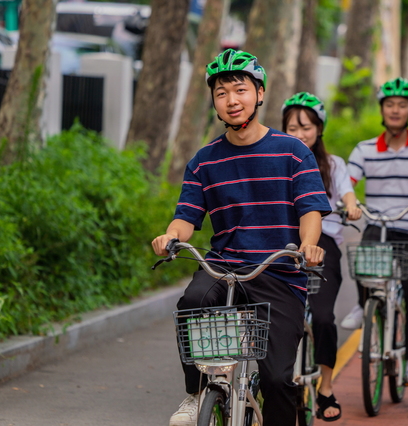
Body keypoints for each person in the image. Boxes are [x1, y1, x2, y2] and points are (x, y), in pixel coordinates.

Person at [152, 49, 331, 426]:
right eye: (221, 93)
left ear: (260, 93)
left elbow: (310, 212)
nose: (232, 100)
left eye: (240, 89)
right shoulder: (203, 161)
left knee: (279, 380)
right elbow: (186, 217)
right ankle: (196, 392)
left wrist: (308, 244)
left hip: (278, 270)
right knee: (192, 301)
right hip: (225, 266)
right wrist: (170, 236)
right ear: (215, 102)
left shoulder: (294, 152)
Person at [342, 77, 408, 385]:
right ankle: (366, 303)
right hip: (379, 224)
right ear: (382, 109)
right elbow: (347, 184)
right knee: (363, 260)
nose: (395, 110)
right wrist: (349, 203)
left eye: (402, 106)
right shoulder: (364, 149)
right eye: (390, 105)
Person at [281, 92, 362, 422]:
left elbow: (347, 192)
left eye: (307, 127)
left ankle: (325, 386)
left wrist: (352, 206)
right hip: (281, 245)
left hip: (321, 245)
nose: (300, 134)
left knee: (324, 318)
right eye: (292, 127)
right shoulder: (275, 160)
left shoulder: (333, 165)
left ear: (319, 129)